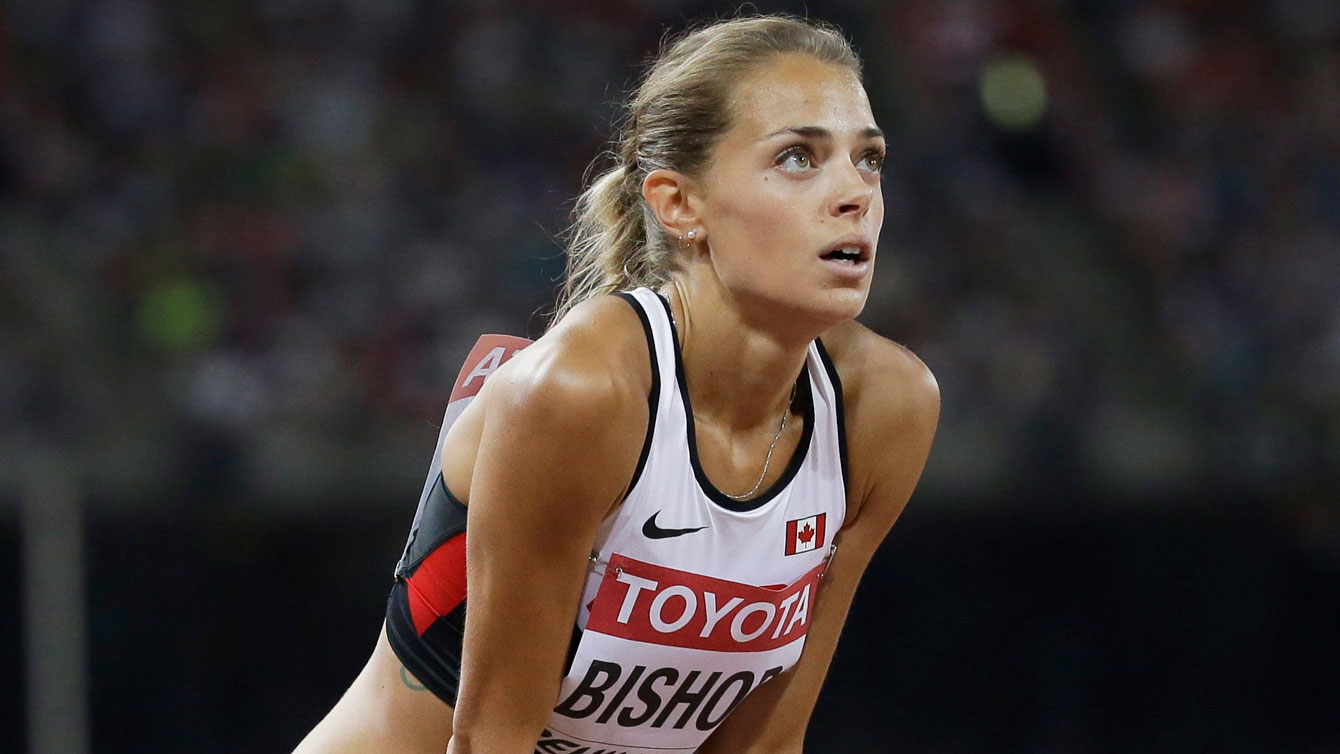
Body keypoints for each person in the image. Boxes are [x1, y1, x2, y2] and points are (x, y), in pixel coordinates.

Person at [294, 14, 939, 754]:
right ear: (679, 204)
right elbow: (489, 741)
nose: (855, 192)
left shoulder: (886, 408)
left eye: (870, 159)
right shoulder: (581, 393)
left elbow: (766, 745)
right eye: (798, 157)